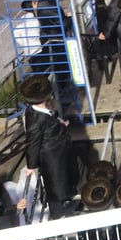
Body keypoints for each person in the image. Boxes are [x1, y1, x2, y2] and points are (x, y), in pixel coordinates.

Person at [20, 74, 79, 219]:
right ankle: (58, 211)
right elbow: (32, 143)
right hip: (52, 156)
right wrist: (31, 165)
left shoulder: (34, 111)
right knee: (56, 182)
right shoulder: (37, 119)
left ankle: (65, 202)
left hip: (57, 150)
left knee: (62, 178)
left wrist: (59, 124)